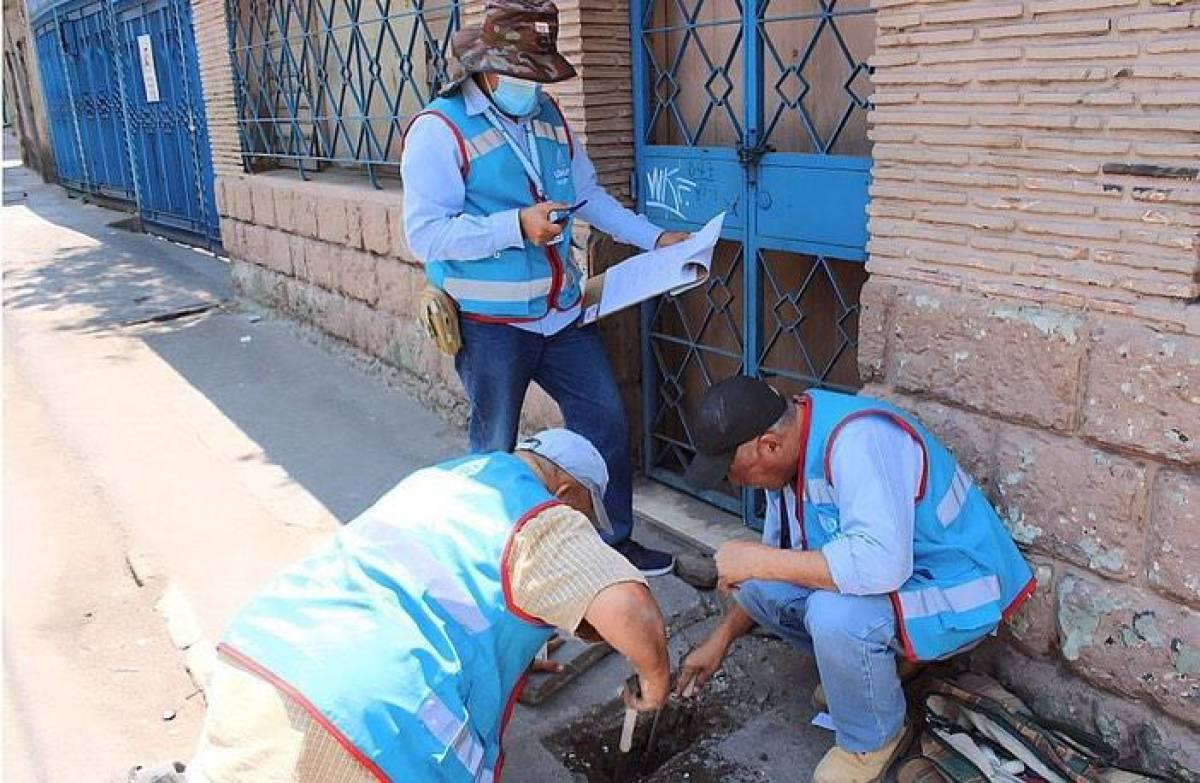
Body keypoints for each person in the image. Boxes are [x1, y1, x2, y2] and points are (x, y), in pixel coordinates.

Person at [121, 430, 670, 782]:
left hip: (263, 655)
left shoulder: (447, 479)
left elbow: (436, 585)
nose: (585, 530)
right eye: (588, 518)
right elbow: (632, 610)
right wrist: (653, 679)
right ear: (567, 492)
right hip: (362, 722)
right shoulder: (541, 515)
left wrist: (511, 656)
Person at [401, 0, 688, 576]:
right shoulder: (439, 130)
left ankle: (613, 544)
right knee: (495, 448)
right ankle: (497, 564)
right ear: (486, 68)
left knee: (605, 423)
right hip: (490, 326)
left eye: (538, 74)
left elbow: (588, 197)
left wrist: (655, 239)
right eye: (522, 74)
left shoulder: (549, 115)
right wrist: (515, 226)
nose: (531, 86)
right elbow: (425, 235)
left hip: (561, 316)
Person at [673, 377, 1036, 783]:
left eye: (732, 472)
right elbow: (781, 564)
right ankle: (872, 677)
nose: (735, 483)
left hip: (963, 589)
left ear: (769, 445)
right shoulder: (786, 460)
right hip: (907, 585)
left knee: (834, 615)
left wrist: (760, 559)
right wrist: (719, 640)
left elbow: (882, 565)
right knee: (756, 586)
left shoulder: (858, 441)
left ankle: (874, 739)